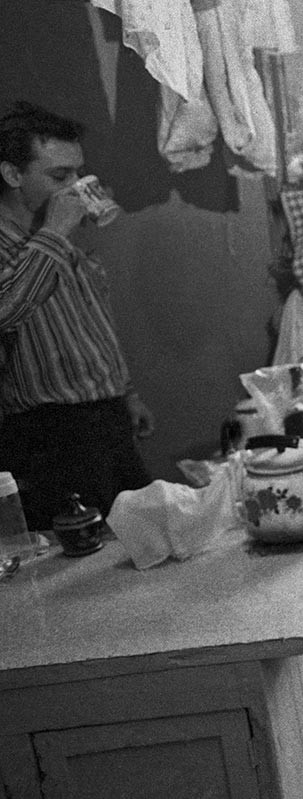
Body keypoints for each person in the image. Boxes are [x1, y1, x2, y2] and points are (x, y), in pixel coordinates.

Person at [0, 101, 153, 530]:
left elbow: (91, 317)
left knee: (147, 533)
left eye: (77, 172)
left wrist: (126, 392)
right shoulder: (44, 233)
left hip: (107, 417)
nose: (76, 186)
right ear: (13, 175)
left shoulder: (60, 234)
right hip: (52, 435)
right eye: (59, 176)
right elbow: (6, 310)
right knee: (92, 562)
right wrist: (54, 231)